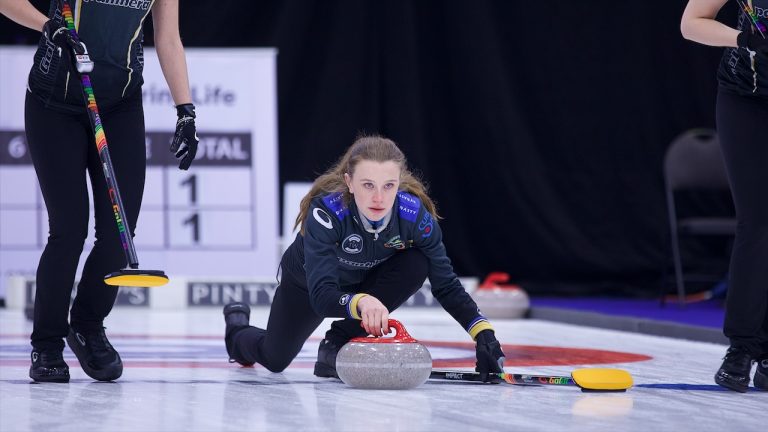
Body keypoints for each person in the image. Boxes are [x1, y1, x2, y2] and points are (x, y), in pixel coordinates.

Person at [0, 0, 199, 383]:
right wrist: (48, 26)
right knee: (69, 230)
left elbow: (168, 38)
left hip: (119, 104)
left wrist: (185, 110)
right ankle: (47, 344)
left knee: (119, 233)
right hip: (54, 102)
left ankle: (88, 325)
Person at [223, 135, 506, 382]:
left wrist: (482, 332)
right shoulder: (327, 213)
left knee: (418, 262)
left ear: (399, 184)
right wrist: (361, 301)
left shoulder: (415, 217)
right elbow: (322, 297)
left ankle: (337, 341)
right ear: (349, 182)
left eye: (389, 186)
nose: (379, 198)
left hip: (363, 283)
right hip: (308, 285)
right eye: (368, 185)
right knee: (275, 359)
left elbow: (446, 284)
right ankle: (237, 330)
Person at [681, 0, 768, 392]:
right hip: (745, 100)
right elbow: (691, 23)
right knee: (758, 220)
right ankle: (742, 348)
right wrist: (741, 37)